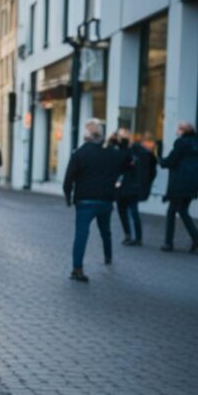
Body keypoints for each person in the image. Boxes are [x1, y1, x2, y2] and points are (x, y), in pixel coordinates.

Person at [62, 118, 131, 282]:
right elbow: (128, 163)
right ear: (101, 137)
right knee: (105, 230)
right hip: (105, 200)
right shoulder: (112, 154)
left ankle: (77, 269)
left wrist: (68, 197)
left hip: (85, 200)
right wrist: (120, 144)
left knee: (81, 234)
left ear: (86, 136)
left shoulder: (79, 154)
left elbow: (68, 180)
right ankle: (108, 256)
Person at [159, 121, 198, 253]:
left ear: (182, 130)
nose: (176, 131)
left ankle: (168, 243)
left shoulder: (181, 143)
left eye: (178, 128)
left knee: (172, 211)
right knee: (182, 209)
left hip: (180, 184)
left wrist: (161, 161)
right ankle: (196, 237)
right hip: (193, 184)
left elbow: (172, 160)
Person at [112, 128, 142, 245]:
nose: (120, 138)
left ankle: (137, 237)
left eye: (122, 136)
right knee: (122, 211)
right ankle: (128, 235)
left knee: (133, 212)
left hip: (130, 186)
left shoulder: (134, 150)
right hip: (121, 186)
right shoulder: (118, 150)